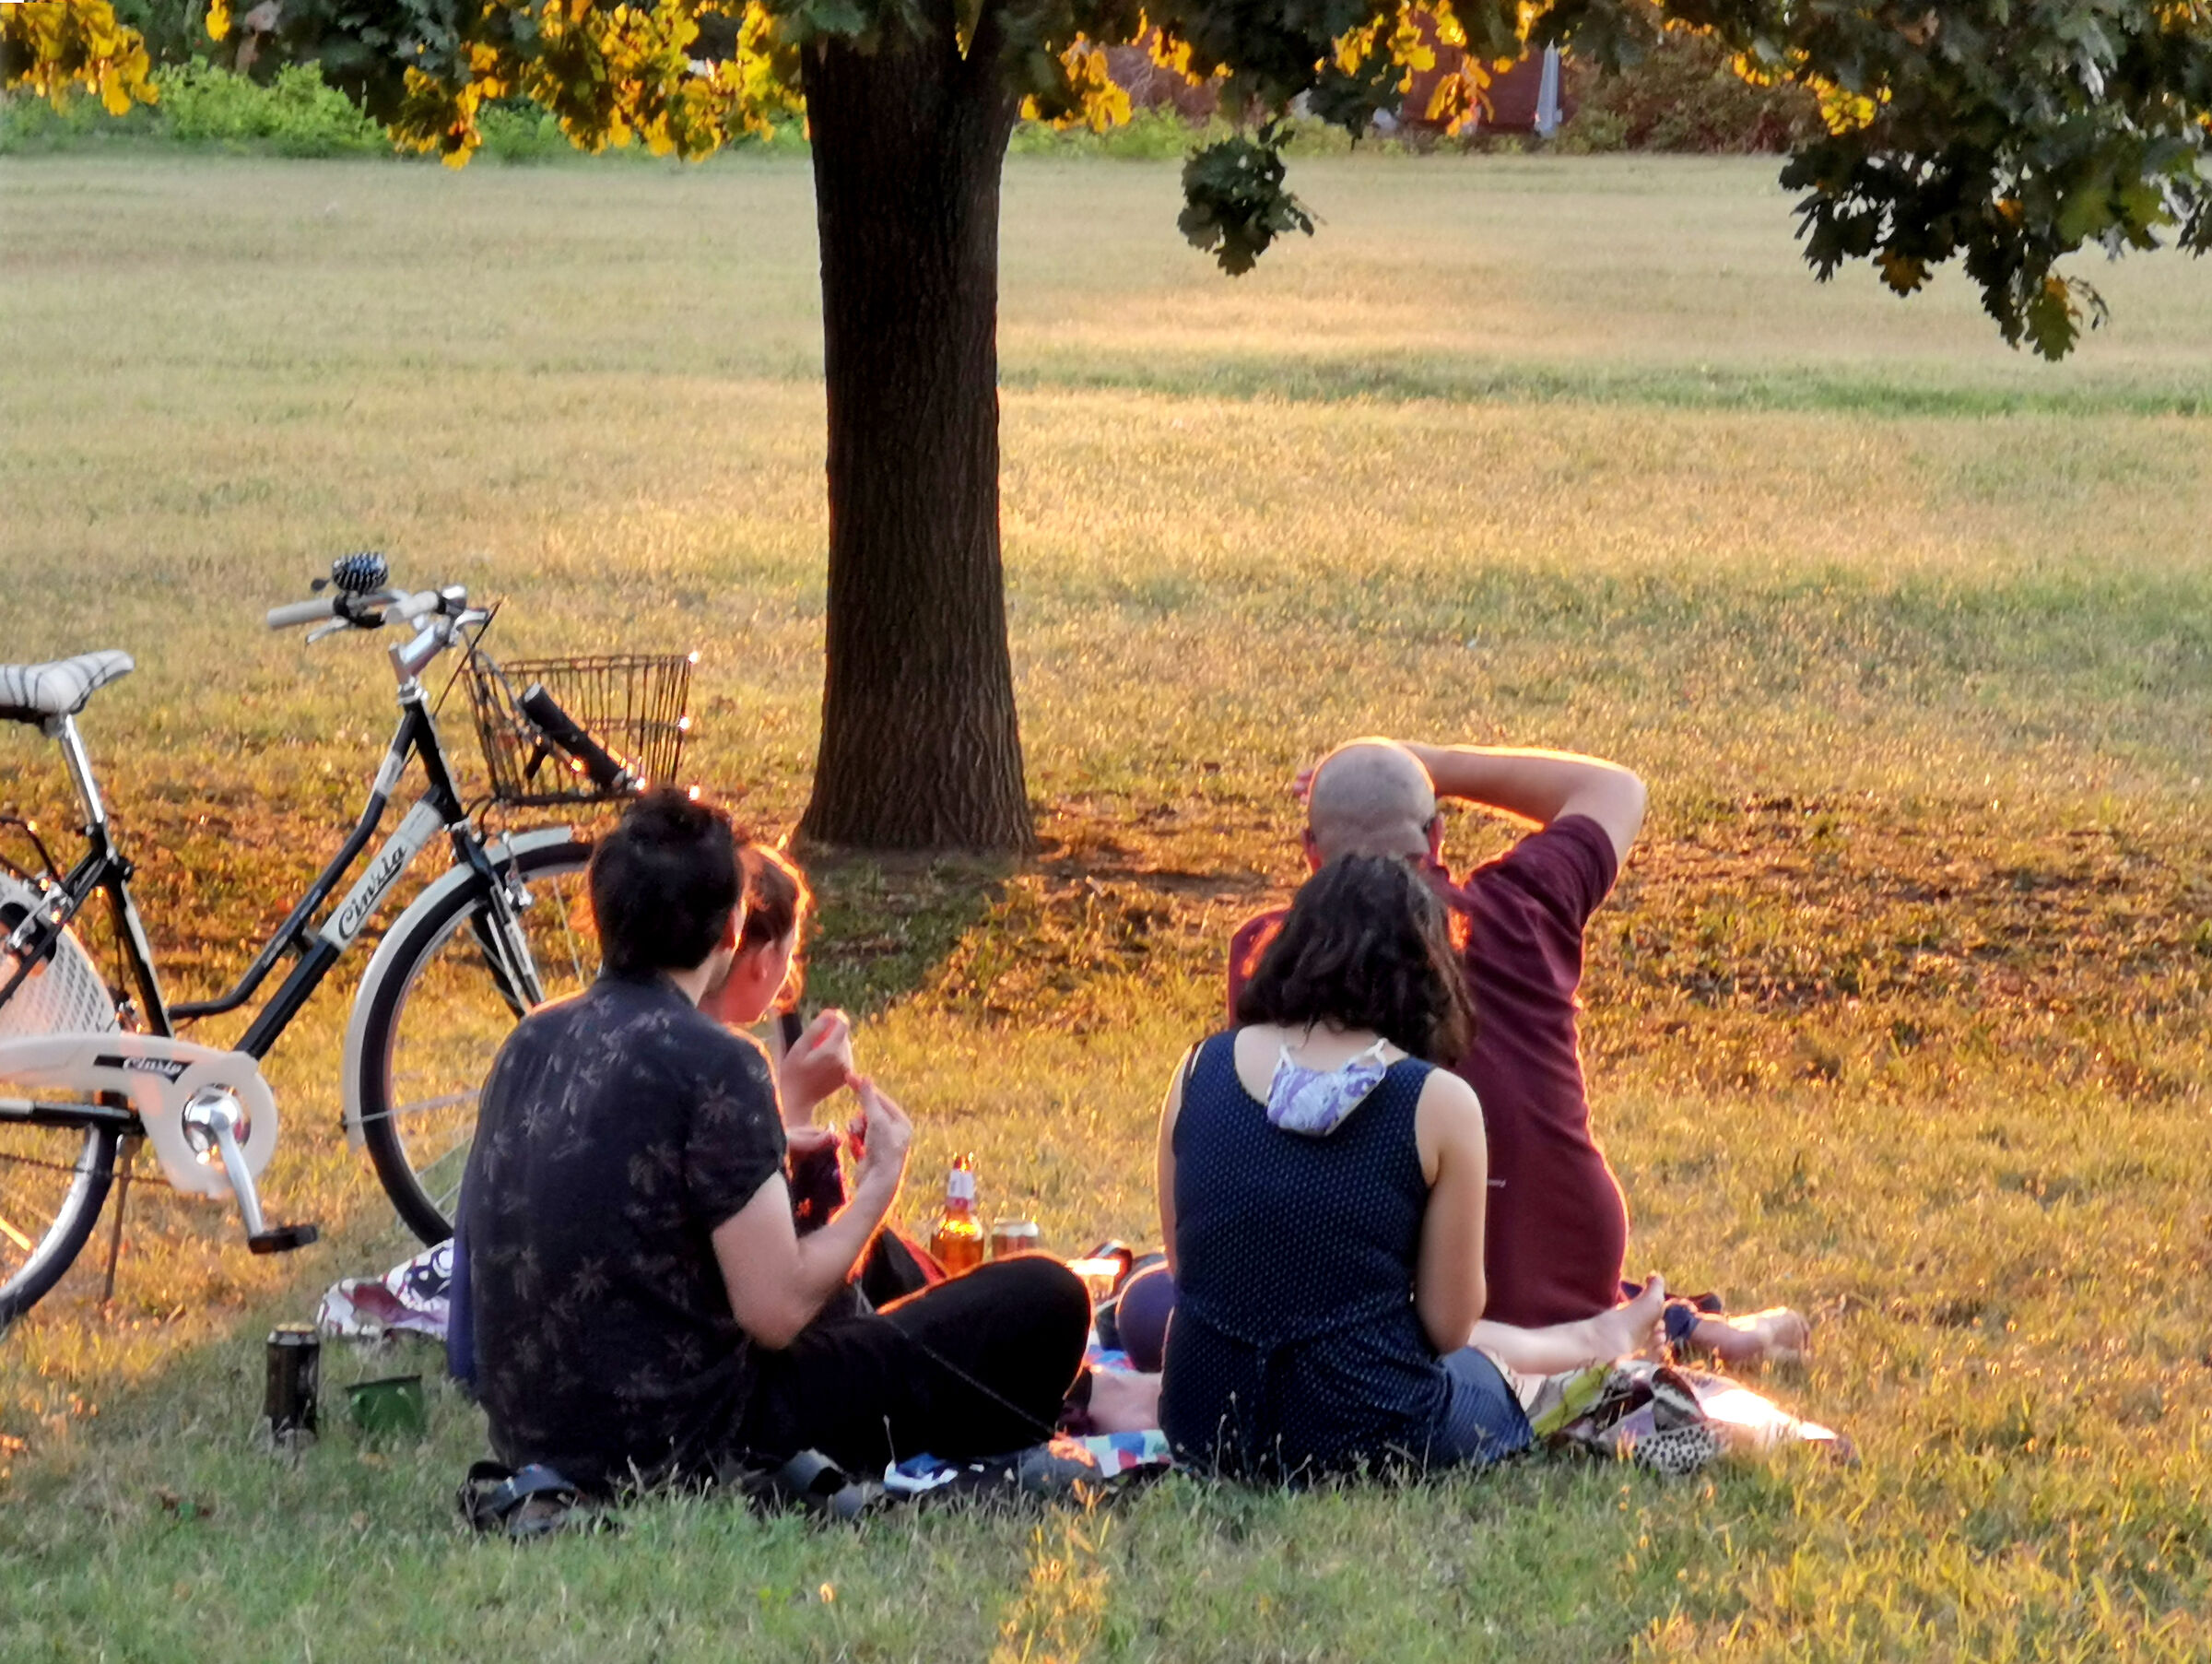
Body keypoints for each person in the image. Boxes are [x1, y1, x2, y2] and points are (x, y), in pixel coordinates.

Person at [460, 789, 1091, 1496]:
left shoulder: (529, 1040)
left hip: (533, 1438)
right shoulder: (716, 1061)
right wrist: (881, 1181)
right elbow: (777, 1310)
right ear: (733, 928)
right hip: (699, 1438)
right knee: (1047, 1297)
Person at [1222, 738, 1806, 1364]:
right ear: (1437, 836)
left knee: (1164, 1294)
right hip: (1570, 1274)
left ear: (1310, 852)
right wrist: (1429, 764)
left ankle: (1676, 1324)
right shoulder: (1521, 908)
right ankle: (1678, 1323)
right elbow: (1615, 790)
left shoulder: (1274, 956)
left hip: (1419, 1310)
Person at [1159, 855, 1667, 1481]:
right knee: (1488, 1372)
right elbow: (1448, 1324)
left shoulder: (1196, 1070)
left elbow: (1190, 1269)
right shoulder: (1434, 1099)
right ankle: (1598, 1346)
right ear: (1429, 968)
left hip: (1206, 1421)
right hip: (1365, 1429)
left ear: (1288, 946)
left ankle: (1599, 1338)